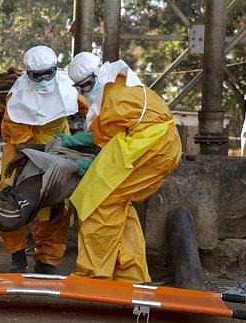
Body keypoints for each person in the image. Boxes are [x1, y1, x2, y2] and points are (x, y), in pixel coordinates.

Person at [65, 52, 182, 283]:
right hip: (154, 145)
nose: (85, 91)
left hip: (150, 148)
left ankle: (94, 274)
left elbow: (103, 139)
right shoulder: (117, 84)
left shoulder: (113, 98)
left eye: (87, 85)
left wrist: (76, 146)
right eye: (80, 87)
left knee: (98, 201)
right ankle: (130, 274)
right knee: (118, 204)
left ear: (97, 74)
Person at [0, 45, 84, 274]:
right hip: (22, 148)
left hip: (59, 144)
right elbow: (21, 142)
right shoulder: (16, 100)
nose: (45, 78)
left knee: (60, 201)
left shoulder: (69, 86)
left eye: (49, 72)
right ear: (28, 73)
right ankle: (17, 252)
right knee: (10, 193)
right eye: (39, 75)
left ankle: (47, 259)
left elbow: (91, 107)